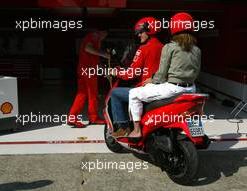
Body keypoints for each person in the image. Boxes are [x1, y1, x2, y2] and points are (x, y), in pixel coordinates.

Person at [127, 12, 201, 142]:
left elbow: (161, 75)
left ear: (173, 27)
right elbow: (196, 71)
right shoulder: (197, 50)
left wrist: (152, 79)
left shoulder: (169, 47)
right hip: (191, 89)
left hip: (173, 89)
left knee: (133, 93)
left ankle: (137, 130)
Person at [109, 17, 164, 137]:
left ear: (149, 30)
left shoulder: (143, 49)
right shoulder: (164, 47)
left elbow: (131, 74)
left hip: (147, 89)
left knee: (115, 93)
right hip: (162, 88)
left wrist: (116, 72)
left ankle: (123, 128)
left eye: (140, 32)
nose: (138, 35)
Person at [67, 29, 110, 128]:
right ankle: (93, 118)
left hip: (83, 70)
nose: (104, 38)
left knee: (81, 94)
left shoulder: (95, 39)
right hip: (89, 71)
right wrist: (103, 54)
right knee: (93, 95)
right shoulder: (94, 35)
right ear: (102, 32)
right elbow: (88, 48)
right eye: (105, 35)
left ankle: (72, 117)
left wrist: (104, 71)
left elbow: (96, 60)